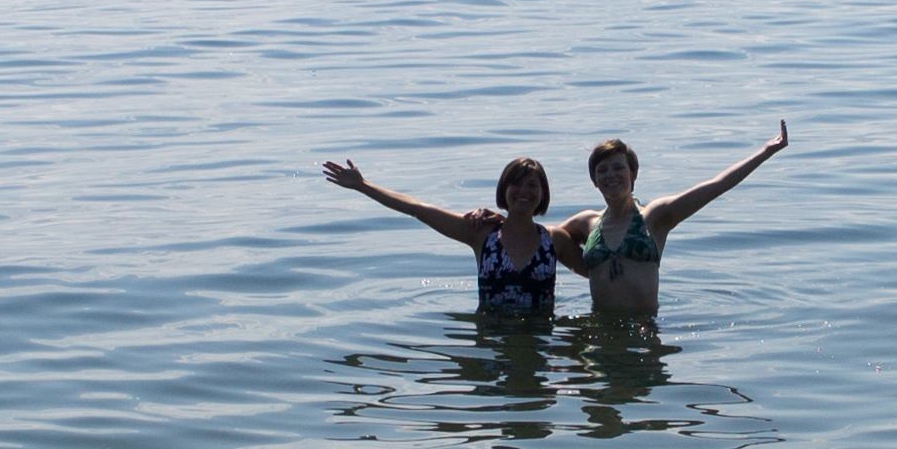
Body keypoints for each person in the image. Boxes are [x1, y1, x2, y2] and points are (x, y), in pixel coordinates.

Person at [557, 121, 790, 313]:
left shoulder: (655, 216)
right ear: (594, 180)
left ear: (634, 174)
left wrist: (765, 152)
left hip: (643, 332)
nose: (611, 175)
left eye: (618, 168)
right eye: (602, 170)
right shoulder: (587, 222)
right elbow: (545, 240)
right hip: (600, 333)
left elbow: (717, 185)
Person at [319, 150, 571, 314]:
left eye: (532, 185)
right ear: (504, 190)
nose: (523, 191)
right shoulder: (481, 233)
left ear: (543, 193)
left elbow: (595, 268)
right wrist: (364, 186)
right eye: (515, 184)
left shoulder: (554, 239)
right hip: (492, 343)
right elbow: (418, 208)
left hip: (538, 344)